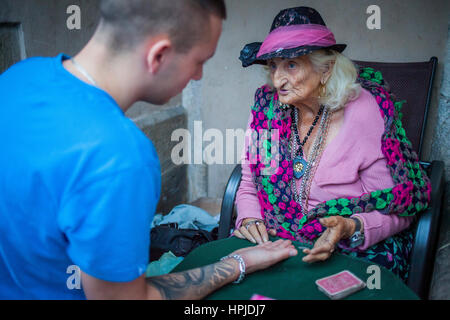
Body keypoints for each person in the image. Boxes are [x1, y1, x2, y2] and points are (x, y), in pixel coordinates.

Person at [0, 0, 298, 300]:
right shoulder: (121, 155)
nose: (198, 76)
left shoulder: (18, 76)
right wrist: (238, 264)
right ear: (159, 56)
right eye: (199, 62)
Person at [233, 6, 431, 281]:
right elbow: (249, 184)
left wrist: (351, 226)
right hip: (276, 240)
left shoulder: (365, 111)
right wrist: (250, 218)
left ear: (325, 69)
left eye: (291, 64)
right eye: (273, 66)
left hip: (347, 247)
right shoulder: (267, 108)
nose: (277, 79)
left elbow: (399, 206)